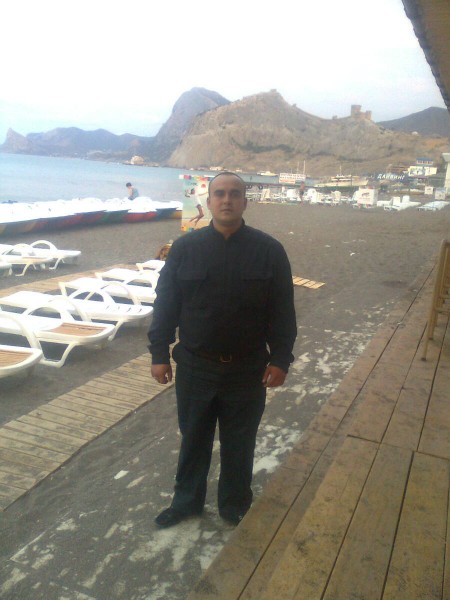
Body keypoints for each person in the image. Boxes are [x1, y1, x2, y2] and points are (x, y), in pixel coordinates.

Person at [148, 172, 297, 528]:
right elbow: (166, 303)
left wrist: (281, 359)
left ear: (245, 201)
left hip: (247, 370)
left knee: (239, 442)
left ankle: (234, 504)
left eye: (234, 193)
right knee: (194, 438)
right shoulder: (185, 248)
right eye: (219, 194)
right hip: (196, 367)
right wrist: (158, 353)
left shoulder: (269, 251)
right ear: (209, 201)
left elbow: (282, 311)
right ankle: (186, 502)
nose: (227, 200)